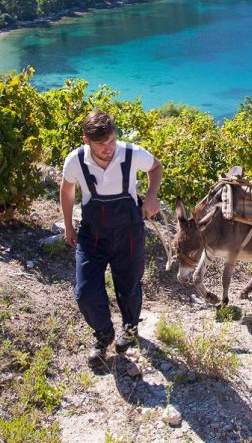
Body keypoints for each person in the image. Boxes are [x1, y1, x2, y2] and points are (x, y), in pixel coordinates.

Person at [60, 110, 163, 366]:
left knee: (128, 287)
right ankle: (103, 333)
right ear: (86, 141)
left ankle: (129, 328)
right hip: (92, 235)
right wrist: (68, 226)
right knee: (84, 292)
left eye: (110, 141)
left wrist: (151, 196)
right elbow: (67, 190)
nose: (107, 149)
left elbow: (156, 166)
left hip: (128, 232)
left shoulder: (131, 153)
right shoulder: (75, 161)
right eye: (100, 145)